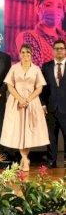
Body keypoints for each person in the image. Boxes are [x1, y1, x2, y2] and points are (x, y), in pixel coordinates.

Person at [0, 44, 49, 172]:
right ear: (20, 53)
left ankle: (25, 158)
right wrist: (20, 99)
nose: (25, 55)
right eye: (23, 52)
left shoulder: (36, 69)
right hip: (16, 102)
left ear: (31, 54)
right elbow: (10, 86)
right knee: (19, 131)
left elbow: (39, 87)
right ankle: (24, 158)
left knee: (28, 132)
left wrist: (27, 99)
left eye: (28, 52)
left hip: (32, 102)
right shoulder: (14, 68)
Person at [16, 0, 66, 68]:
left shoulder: (63, 38)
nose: (54, 10)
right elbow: (35, 70)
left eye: (59, 6)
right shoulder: (30, 37)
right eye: (48, 5)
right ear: (38, 8)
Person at [41, 39, 66, 168]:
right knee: (51, 138)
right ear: (53, 51)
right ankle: (52, 161)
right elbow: (42, 88)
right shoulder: (46, 66)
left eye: (62, 48)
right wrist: (43, 104)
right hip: (50, 108)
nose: (59, 50)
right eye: (57, 48)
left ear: (65, 50)